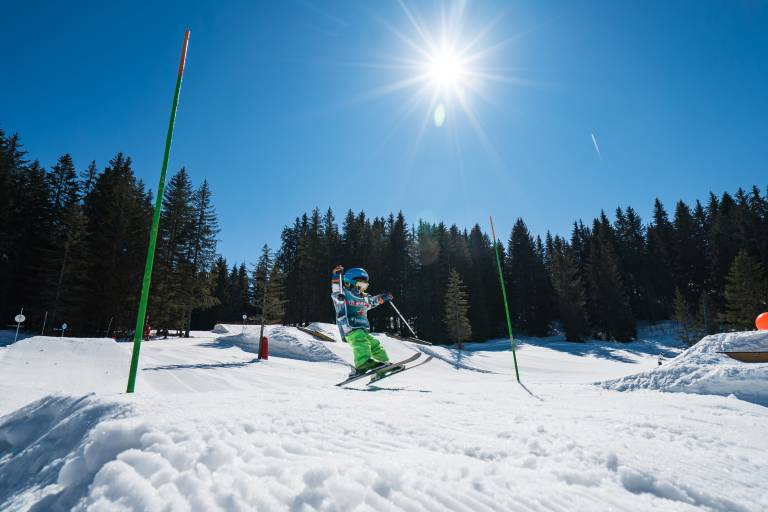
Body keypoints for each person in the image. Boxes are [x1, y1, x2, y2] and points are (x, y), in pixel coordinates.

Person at [331, 265, 400, 376]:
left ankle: (384, 365)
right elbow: (335, 291)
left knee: (375, 345)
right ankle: (362, 363)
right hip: (350, 328)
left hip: (362, 329)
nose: (362, 289)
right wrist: (336, 276)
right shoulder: (342, 295)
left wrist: (383, 297)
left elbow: (373, 301)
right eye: (360, 285)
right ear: (350, 283)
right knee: (361, 342)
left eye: (365, 286)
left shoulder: (365, 297)